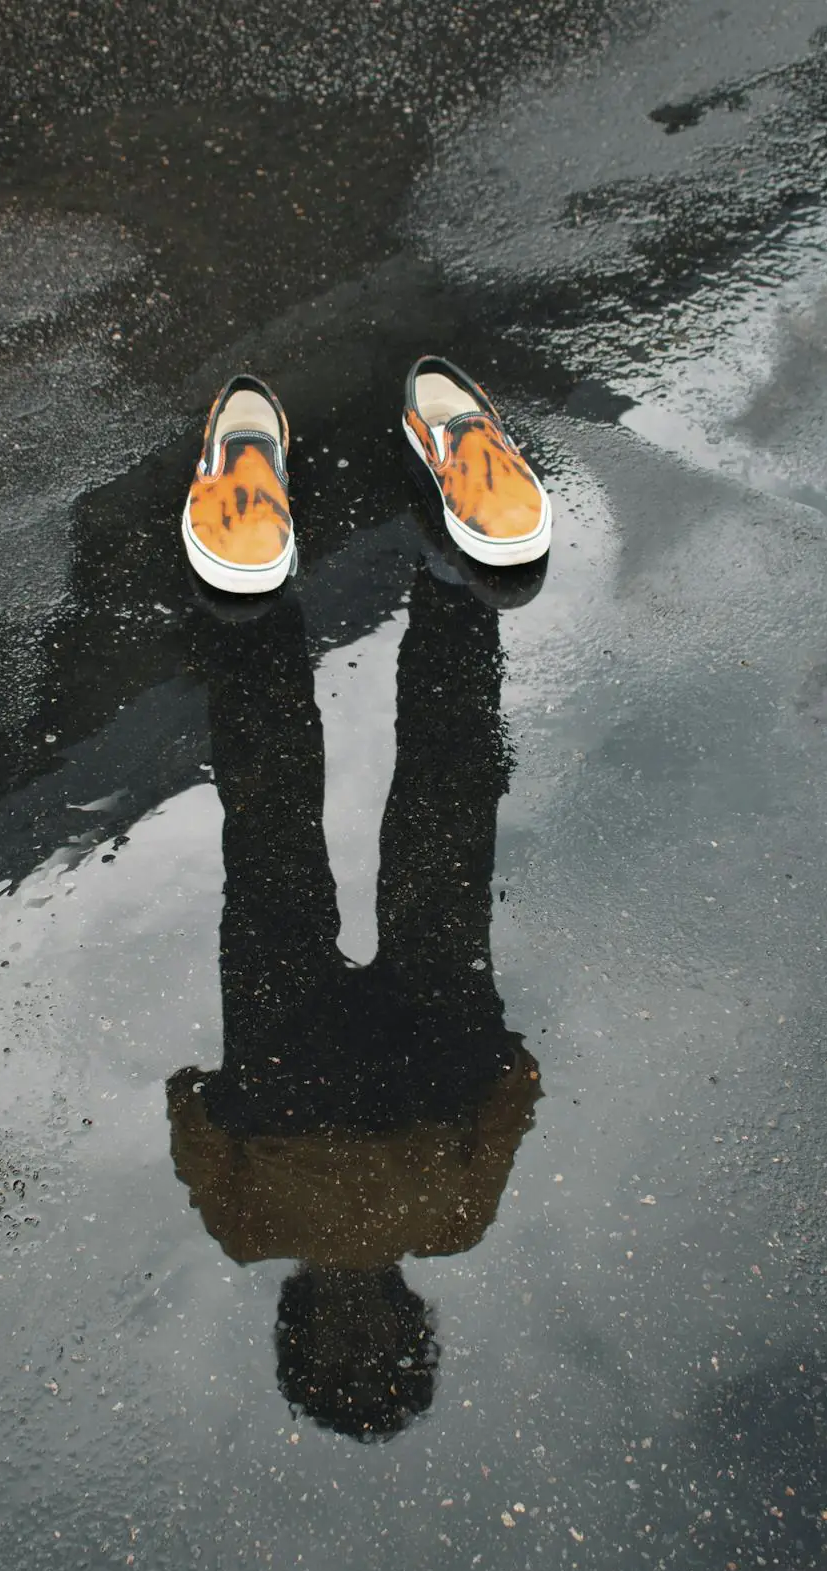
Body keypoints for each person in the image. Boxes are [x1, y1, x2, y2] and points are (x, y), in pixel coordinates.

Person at [168, 567, 540, 1440]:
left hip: (434, 1052)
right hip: (284, 1059)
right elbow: (190, 1104)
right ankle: (250, 616)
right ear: (291, 1321)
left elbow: (515, 1082)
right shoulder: (247, 1227)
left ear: (411, 1311)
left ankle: (459, 592)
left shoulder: (457, 1222)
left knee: (444, 821)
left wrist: (481, 1055)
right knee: (270, 837)